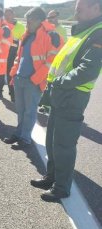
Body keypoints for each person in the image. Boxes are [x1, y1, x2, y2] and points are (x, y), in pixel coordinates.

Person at [31, 0, 102, 202]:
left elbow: (88, 70)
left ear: (96, 7)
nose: (75, 11)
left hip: (72, 95)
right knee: (52, 141)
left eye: (80, 8)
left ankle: (61, 187)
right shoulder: (82, 30)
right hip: (61, 93)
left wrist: (60, 82)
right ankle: (51, 177)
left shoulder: (98, 31)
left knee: (64, 144)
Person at [4, 7, 62, 148]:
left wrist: (35, 79)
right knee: (21, 109)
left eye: (29, 22)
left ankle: (25, 138)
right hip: (20, 78)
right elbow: (19, 57)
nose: (27, 25)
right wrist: (14, 74)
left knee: (30, 111)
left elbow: (51, 62)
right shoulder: (27, 35)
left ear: (39, 21)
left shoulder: (52, 36)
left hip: (33, 81)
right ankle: (19, 133)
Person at [38, 9, 68, 114]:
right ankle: (44, 104)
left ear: (57, 17)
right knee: (44, 82)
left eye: (52, 17)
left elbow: (62, 47)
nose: (50, 19)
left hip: (56, 62)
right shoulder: (47, 29)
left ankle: (48, 106)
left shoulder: (61, 30)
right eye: (49, 17)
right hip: (46, 60)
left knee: (51, 84)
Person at [0, 8, 26, 102]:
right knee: (0, 73)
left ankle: (12, 94)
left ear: (13, 15)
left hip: (13, 53)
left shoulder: (20, 26)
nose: (7, 16)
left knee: (11, 74)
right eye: (5, 15)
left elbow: (23, 41)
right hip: (2, 52)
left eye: (9, 14)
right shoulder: (2, 25)